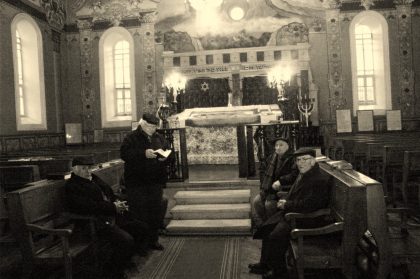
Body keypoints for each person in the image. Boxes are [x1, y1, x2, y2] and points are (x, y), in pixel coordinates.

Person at [249, 148, 332, 279]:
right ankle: (265, 263)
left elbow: (311, 205)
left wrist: (287, 204)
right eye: (298, 160)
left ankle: (279, 273)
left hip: (305, 218)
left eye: (305, 159)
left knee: (275, 235)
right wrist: (286, 200)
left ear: (313, 161)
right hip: (294, 212)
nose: (300, 163)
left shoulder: (318, 179)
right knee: (266, 227)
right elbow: (299, 196)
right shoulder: (305, 173)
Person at [65, 156, 151, 279]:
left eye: (88, 168)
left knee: (141, 228)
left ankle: (125, 261)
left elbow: (109, 193)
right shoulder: (72, 186)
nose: (88, 171)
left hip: (111, 215)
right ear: (74, 170)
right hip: (95, 222)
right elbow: (87, 206)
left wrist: (118, 203)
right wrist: (113, 207)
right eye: (83, 169)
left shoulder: (93, 178)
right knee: (125, 240)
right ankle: (112, 272)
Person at [120, 113, 170, 251]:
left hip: (155, 181)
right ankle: (140, 244)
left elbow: (168, 151)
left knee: (154, 212)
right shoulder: (131, 137)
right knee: (140, 214)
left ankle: (153, 240)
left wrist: (165, 158)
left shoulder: (158, 137)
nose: (153, 129)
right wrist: (143, 153)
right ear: (142, 124)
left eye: (155, 127)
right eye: (150, 126)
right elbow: (124, 154)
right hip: (137, 183)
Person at [253, 137, 297, 226]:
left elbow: (294, 174)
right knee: (257, 201)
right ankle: (266, 223)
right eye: (276, 145)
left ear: (288, 146)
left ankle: (274, 225)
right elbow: (263, 171)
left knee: (269, 205)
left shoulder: (293, 158)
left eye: (281, 145)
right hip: (270, 189)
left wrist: (281, 181)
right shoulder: (272, 157)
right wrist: (264, 184)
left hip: (285, 190)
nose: (278, 147)